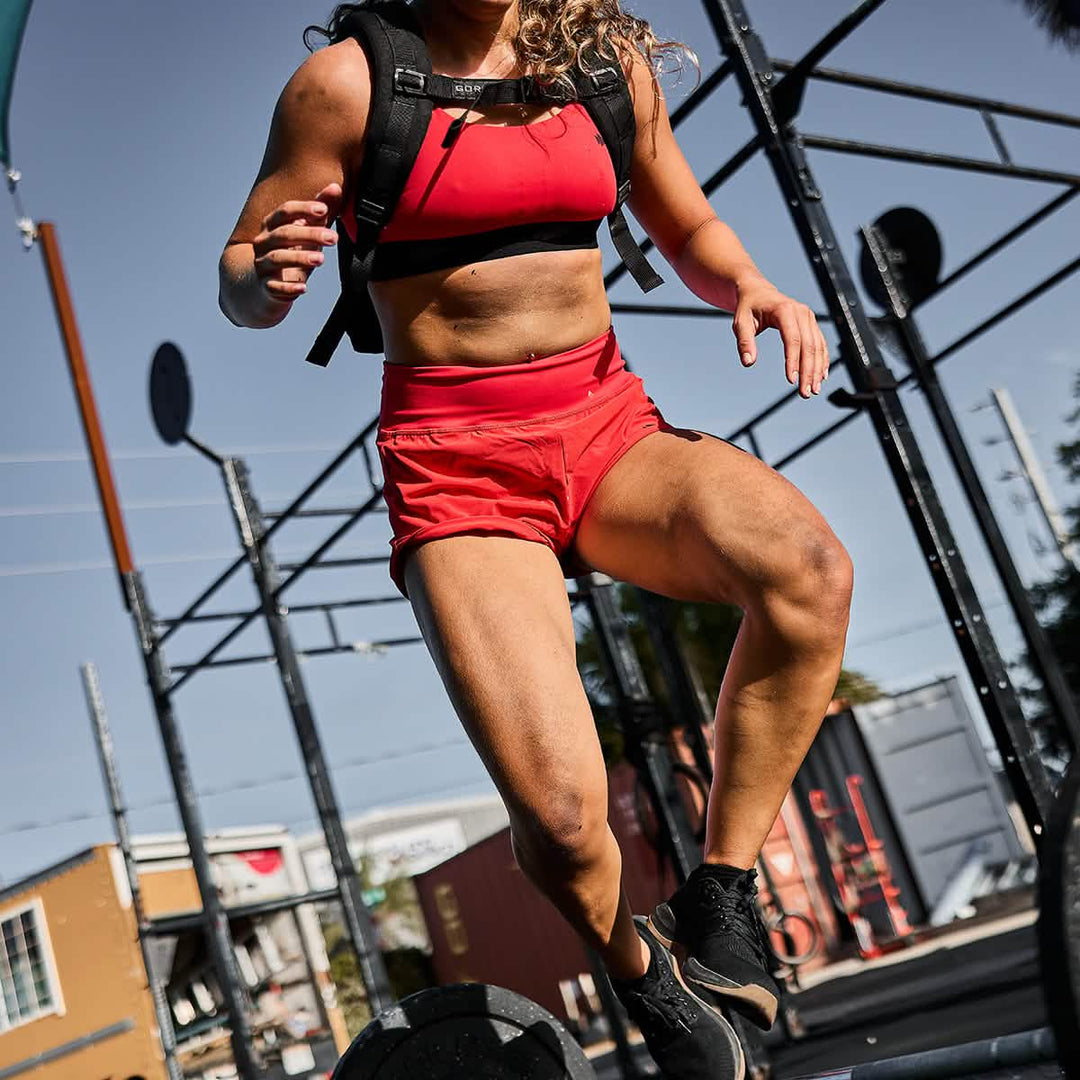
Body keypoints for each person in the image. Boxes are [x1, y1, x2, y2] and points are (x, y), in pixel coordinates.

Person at [219, 2, 852, 1076]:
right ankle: (648, 981)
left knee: (808, 572)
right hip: (456, 464)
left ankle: (723, 901)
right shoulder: (344, 88)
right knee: (562, 823)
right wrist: (264, 273)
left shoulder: (601, 65)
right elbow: (242, 275)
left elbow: (685, 224)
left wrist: (745, 280)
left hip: (607, 425)